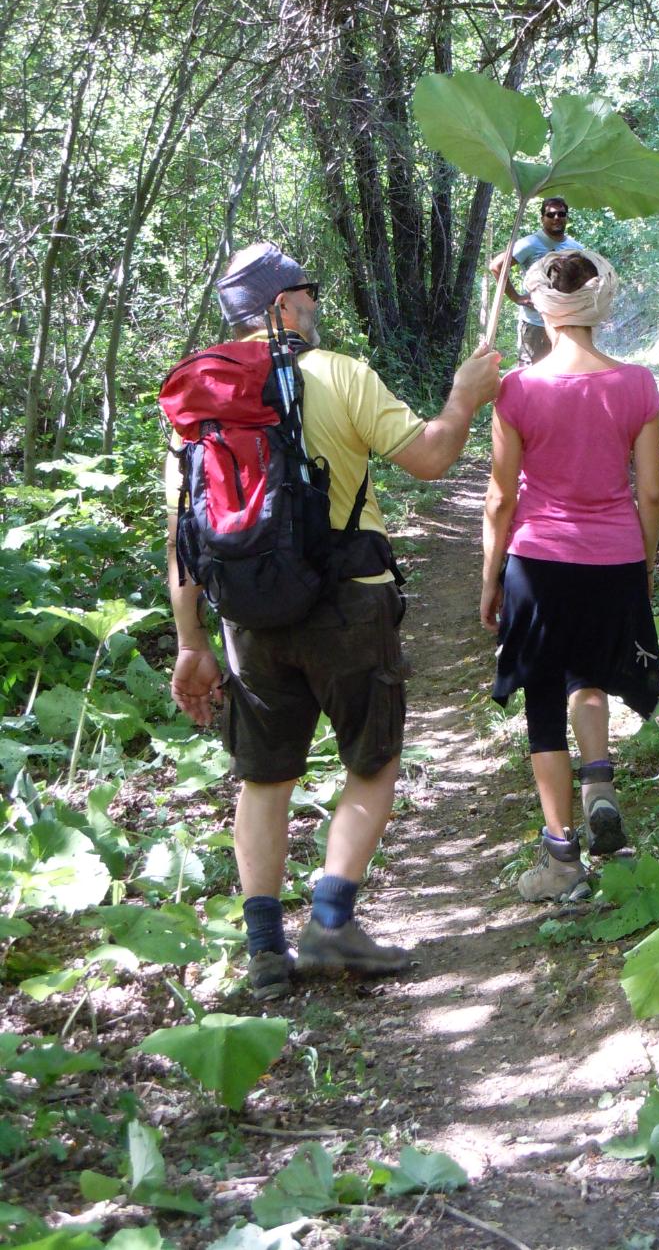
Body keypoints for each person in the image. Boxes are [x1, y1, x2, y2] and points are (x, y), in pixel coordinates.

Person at [166, 241, 500, 998]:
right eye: (306, 293)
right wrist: (464, 394)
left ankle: (263, 953)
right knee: (371, 762)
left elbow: (184, 539)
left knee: (264, 777)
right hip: (350, 601)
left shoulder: (206, 399)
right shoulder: (337, 373)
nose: (315, 304)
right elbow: (431, 458)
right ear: (280, 306)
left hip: (247, 617)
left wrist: (192, 643)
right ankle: (328, 921)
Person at [480, 249, 659, 902]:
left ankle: (562, 860)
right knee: (590, 678)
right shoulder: (637, 385)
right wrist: (643, 563)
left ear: (539, 305)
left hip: (538, 560)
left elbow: (501, 498)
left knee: (540, 704)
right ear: (599, 302)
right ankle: (600, 788)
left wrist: (490, 577)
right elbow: (649, 495)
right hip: (612, 556)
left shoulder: (518, 390)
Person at [489, 197, 584, 366]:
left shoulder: (576, 248)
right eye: (551, 214)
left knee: (562, 371)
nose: (556, 218)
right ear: (543, 218)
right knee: (530, 372)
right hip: (535, 324)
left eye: (561, 214)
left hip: (564, 323)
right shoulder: (530, 244)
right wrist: (516, 297)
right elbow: (496, 266)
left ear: (566, 217)